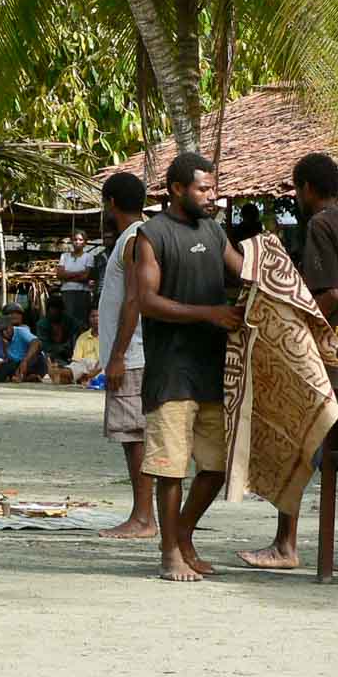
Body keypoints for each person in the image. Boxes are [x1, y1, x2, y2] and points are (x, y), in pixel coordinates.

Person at [240, 152, 338, 573]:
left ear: (305, 188)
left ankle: (285, 545)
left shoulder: (319, 224)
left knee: (297, 444)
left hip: (328, 356)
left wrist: (295, 323)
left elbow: (331, 293)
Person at [132, 151, 245, 582]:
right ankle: (170, 555)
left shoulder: (214, 231)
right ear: (177, 189)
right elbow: (147, 301)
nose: (212, 196)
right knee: (171, 469)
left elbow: (245, 272)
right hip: (172, 372)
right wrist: (209, 313)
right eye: (203, 189)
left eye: (213, 188)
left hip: (212, 370)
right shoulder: (151, 235)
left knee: (215, 468)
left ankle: (182, 535)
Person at [97, 171, 154, 540]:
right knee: (133, 437)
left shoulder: (133, 238)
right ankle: (142, 514)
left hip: (132, 355)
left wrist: (118, 355)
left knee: (136, 437)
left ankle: (144, 517)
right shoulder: (133, 237)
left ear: (111, 203)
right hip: (130, 352)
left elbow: (134, 298)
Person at [57, 230, 98, 332]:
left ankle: (81, 340)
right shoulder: (64, 256)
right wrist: (79, 273)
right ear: (71, 241)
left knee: (81, 320)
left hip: (82, 292)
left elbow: (86, 276)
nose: (77, 242)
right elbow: (60, 274)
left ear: (85, 242)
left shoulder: (88, 257)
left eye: (80, 240)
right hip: (67, 292)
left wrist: (67, 276)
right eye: (75, 239)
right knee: (68, 319)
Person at [0, 304, 50, 381]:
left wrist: (25, 360)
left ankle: (25, 376)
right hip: (14, 363)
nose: (14, 316)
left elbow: (36, 342)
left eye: (17, 313)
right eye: (11, 313)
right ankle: (24, 377)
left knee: (38, 358)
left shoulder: (22, 330)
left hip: (30, 362)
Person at [36, 296, 75, 363]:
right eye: (52, 310)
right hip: (50, 355)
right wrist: (62, 348)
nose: (55, 313)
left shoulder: (68, 320)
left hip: (68, 354)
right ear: (48, 311)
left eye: (57, 311)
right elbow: (45, 346)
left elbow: (78, 329)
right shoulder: (42, 324)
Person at [69, 311, 102, 384]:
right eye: (93, 316)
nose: (96, 319)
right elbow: (76, 360)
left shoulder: (108, 336)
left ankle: (86, 377)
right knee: (78, 365)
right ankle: (59, 373)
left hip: (101, 368)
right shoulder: (82, 337)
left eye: (99, 316)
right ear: (88, 319)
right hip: (85, 368)